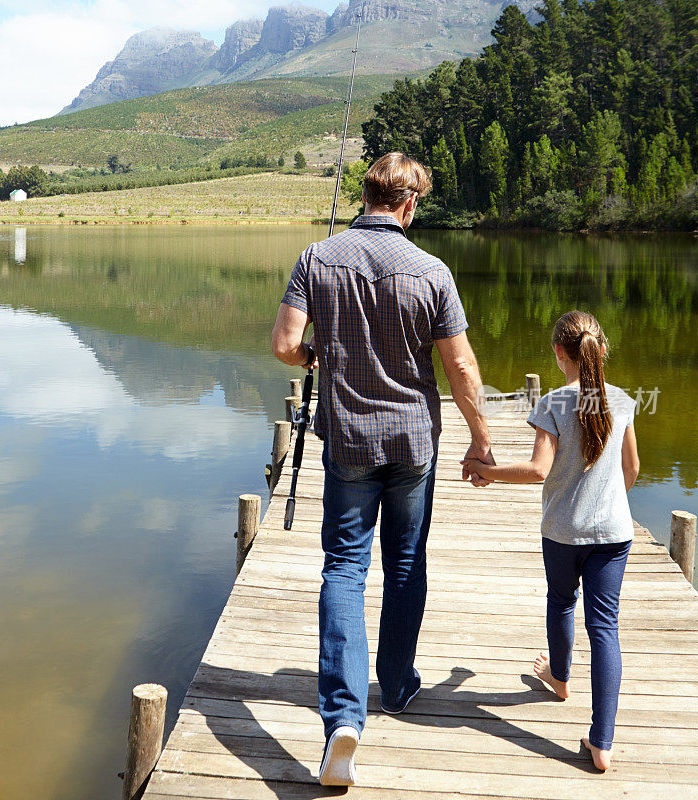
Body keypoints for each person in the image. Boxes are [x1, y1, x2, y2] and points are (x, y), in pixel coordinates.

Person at [271, 152, 494, 786]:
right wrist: (481, 441)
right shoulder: (433, 271)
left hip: (346, 442)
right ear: (410, 204)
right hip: (413, 444)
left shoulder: (318, 258)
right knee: (405, 564)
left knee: (344, 567)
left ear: (366, 195)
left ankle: (343, 718)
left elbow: (286, 345)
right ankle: (395, 687)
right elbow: (461, 368)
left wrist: (318, 351)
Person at [464, 310, 640, 772]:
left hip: (563, 531)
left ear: (560, 354)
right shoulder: (621, 401)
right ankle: (602, 743)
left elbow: (539, 470)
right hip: (614, 534)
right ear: (600, 349)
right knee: (605, 628)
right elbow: (632, 469)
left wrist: (487, 471)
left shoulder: (553, 405)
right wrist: (607, 504)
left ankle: (560, 680)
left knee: (562, 601)